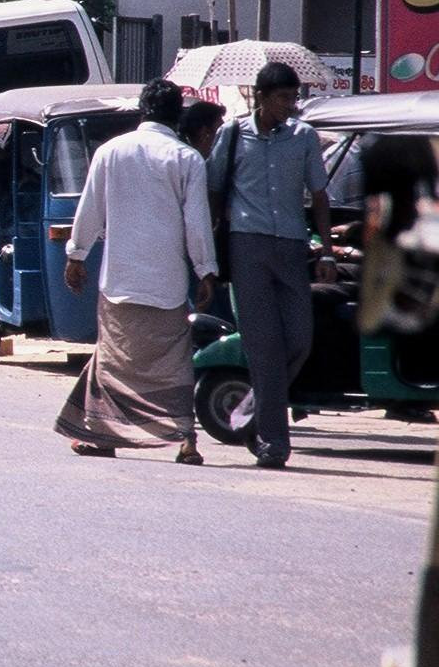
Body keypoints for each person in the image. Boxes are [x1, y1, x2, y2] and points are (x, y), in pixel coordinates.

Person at [54, 79, 218, 464]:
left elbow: (90, 208)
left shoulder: (110, 152)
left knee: (114, 361)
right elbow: (196, 223)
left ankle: (104, 435)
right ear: (177, 116)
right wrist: (206, 271)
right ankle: (185, 440)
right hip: (168, 283)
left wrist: (76, 256)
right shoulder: (187, 159)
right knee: (173, 365)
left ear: (141, 111)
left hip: (120, 279)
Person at [207, 62, 333, 468]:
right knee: (264, 349)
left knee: (299, 340)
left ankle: (248, 415)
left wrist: (328, 250)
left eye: (294, 97)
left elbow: (319, 194)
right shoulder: (232, 134)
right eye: (282, 98)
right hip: (247, 247)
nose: (290, 105)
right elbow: (213, 191)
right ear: (260, 96)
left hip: (293, 245)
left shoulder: (304, 137)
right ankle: (274, 443)